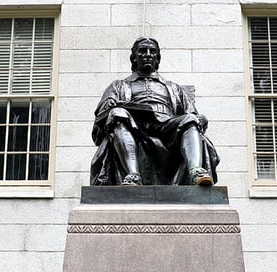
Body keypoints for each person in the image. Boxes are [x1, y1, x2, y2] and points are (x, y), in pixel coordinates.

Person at [90, 37, 219, 186]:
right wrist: (111, 106)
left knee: (189, 119)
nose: (148, 54)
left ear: (157, 58)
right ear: (134, 58)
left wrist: (200, 119)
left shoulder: (173, 87)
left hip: (167, 126)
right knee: (117, 113)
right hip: (134, 126)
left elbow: (193, 113)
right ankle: (132, 175)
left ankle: (196, 172)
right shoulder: (119, 85)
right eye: (142, 51)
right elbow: (102, 114)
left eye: (153, 51)